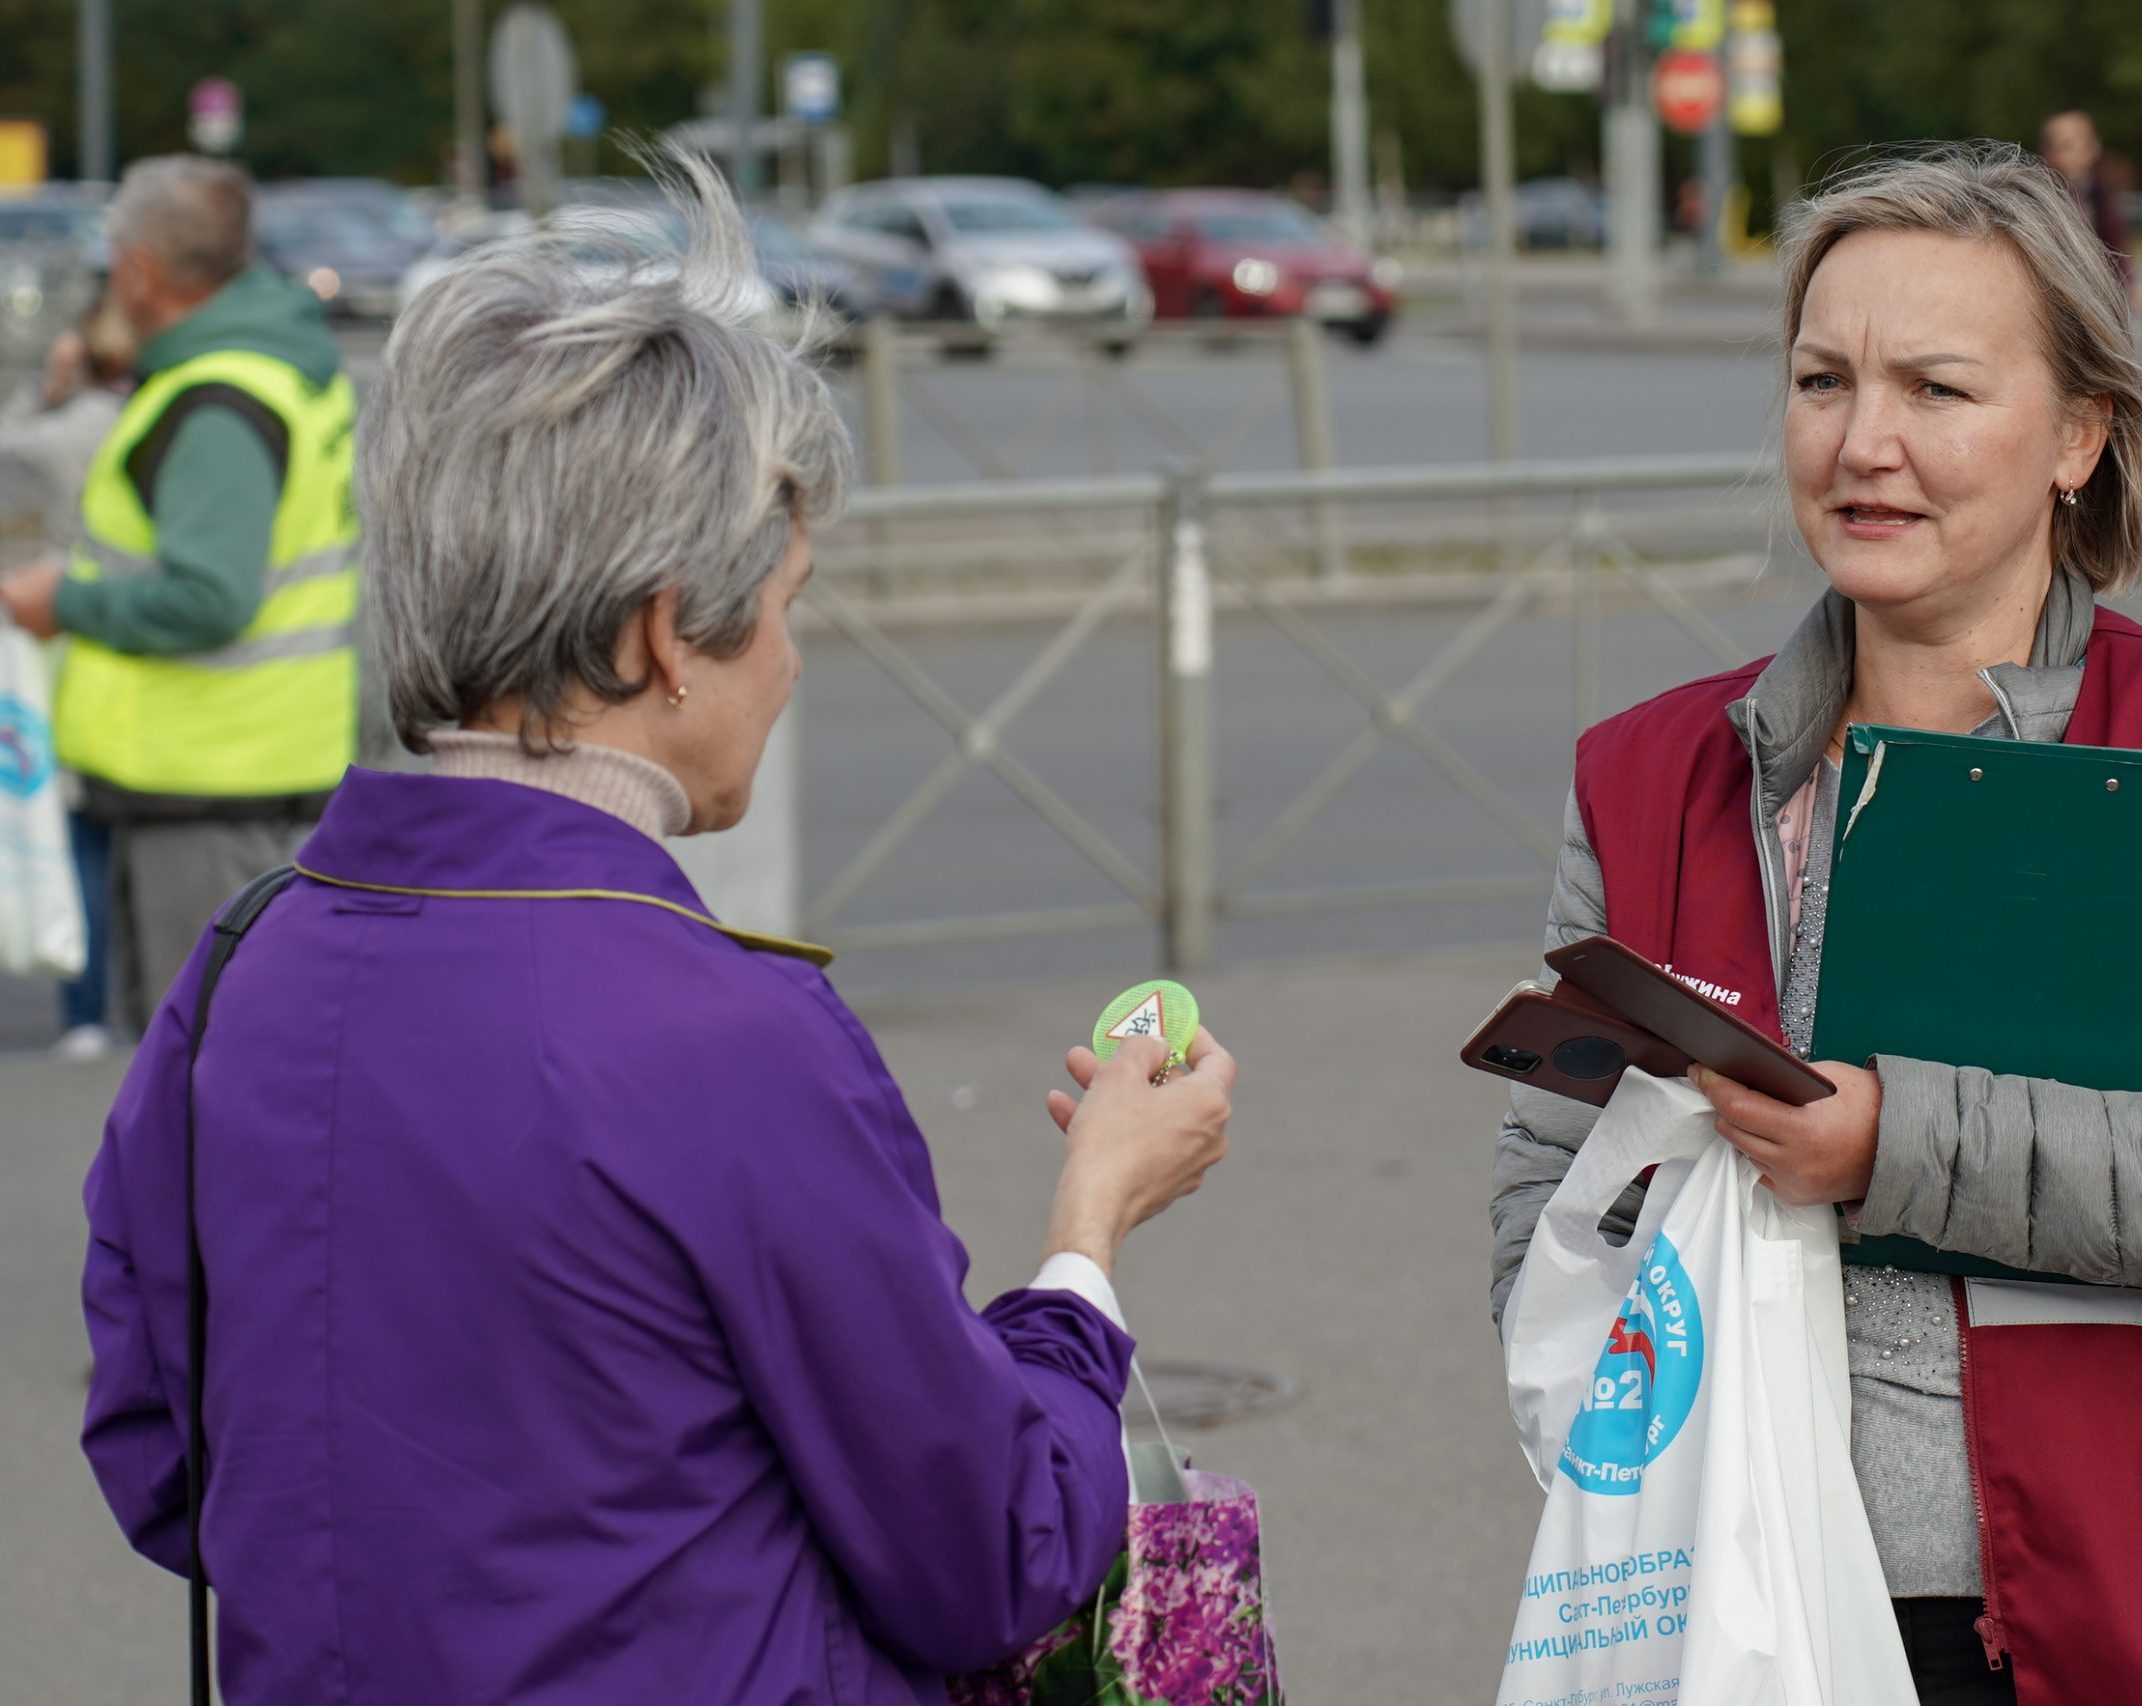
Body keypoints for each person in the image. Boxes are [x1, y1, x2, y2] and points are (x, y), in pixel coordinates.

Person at [77, 152, 1236, 1703]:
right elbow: (993, 1550)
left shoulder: (240, 968)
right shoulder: (719, 1033)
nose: (796, 660)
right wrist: (1085, 1239)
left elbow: (168, 1461)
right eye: (789, 600)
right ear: (660, 628)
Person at [1488, 144, 2142, 1706]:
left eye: (1936, 391)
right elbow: (1547, 1199)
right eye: (1822, 380)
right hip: (1738, 1611)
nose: (1861, 442)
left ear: (2077, 438)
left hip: (2138, 1609)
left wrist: (1890, 1146)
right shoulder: (1648, 772)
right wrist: (1626, 1428)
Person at [0, 157, 361, 1041]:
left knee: (206, 1084)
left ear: (141, 270)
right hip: (245, 776)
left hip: (211, 792)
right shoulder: (267, 369)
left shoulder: (217, 402)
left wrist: (66, 605)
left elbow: (211, 598)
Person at [2, 296, 138, 1058]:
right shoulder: (159, 414)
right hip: (152, 649)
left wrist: (41, 388)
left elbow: (9, 450)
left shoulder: (70, 432)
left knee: (81, 837)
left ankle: (85, 1009)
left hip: (76, 642)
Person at [2036, 110, 2135, 294]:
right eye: (2067, 145)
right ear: (2049, 152)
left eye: (2086, 143)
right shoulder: (2041, 192)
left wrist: (2128, 283)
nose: (2080, 151)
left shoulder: (2098, 188)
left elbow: (2113, 241)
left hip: (2094, 285)